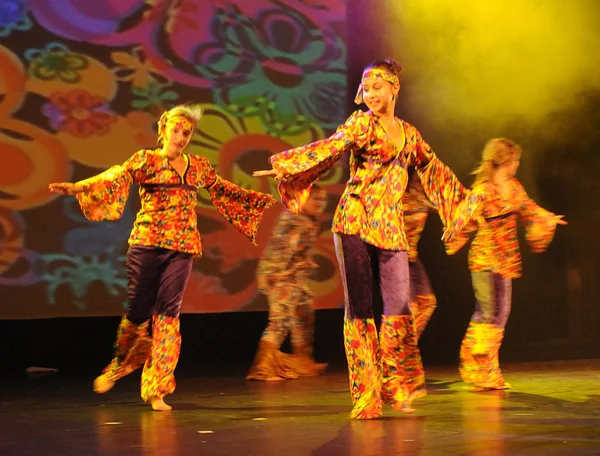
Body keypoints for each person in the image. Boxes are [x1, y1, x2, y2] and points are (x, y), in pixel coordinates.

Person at [254, 59, 465, 419]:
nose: (370, 95)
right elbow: (332, 147)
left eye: (376, 88)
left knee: (398, 309)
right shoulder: (360, 123)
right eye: (366, 89)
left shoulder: (409, 134)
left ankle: (395, 383)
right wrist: (290, 167)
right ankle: (366, 393)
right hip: (353, 221)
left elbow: (435, 169)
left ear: (394, 88)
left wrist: (462, 204)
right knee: (361, 311)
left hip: (390, 227)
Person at [49, 105, 275, 411]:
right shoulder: (146, 160)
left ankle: (157, 387)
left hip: (182, 247)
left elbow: (222, 188)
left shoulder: (197, 165)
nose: (181, 137)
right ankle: (119, 364)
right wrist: (79, 187)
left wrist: (258, 198)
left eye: (187, 133)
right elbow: (117, 176)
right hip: (147, 243)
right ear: (163, 130)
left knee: (168, 314)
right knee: (139, 310)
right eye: (176, 131)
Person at [443, 138, 567, 391]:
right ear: (506, 161)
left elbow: (529, 209)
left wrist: (547, 218)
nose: (517, 164)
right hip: (485, 258)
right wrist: (453, 231)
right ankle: (479, 369)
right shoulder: (482, 191)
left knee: (501, 314)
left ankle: (484, 368)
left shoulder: (514, 187)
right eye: (515, 160)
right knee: (489, 313)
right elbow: (462, 216)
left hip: (506, 257)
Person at [246, 185, 328, 381]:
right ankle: (262, 368)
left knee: (304, 310)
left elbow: (300, 250)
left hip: (293, 274)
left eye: (322, 200)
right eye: (315, 200)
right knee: (280, 319)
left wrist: (305, 262)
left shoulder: (310, 220)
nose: (319, 204)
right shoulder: (292, 217)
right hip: (279, 273)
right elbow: (284, 249)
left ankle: (302, 360)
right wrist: (281, 274)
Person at [402, 172, 438, 340]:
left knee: (427, 303)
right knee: (411, 308)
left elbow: (444, 208)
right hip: (396, 257)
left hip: (412, 258)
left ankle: (404, 349)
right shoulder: (396, 194)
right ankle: (396, 353)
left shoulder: (420, 195)